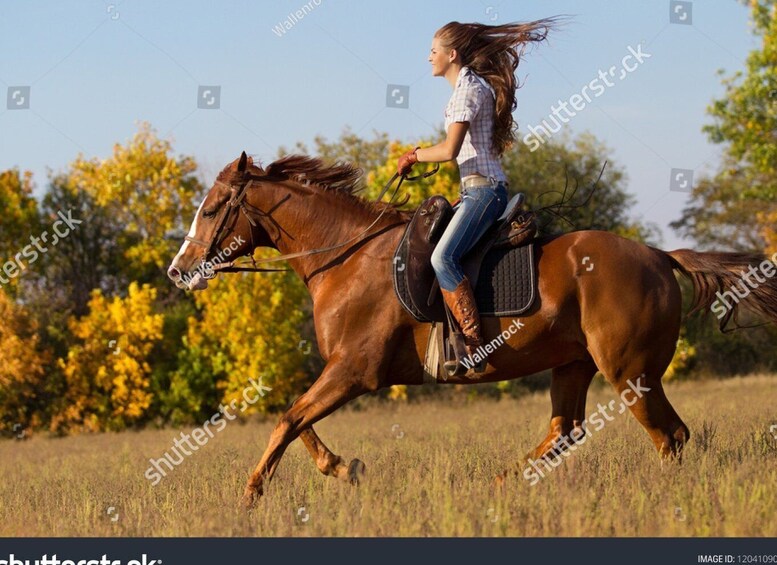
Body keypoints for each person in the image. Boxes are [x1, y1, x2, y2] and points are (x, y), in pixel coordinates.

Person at [397, 19, 559, 372]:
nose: (428, 58)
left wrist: (413, 155)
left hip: (484, 192)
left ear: (451, 55)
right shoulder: (470, 88)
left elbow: (450, 150)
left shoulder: (468, 91)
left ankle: (474, 342)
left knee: (443, 259)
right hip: (476, 190)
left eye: (433, 51)